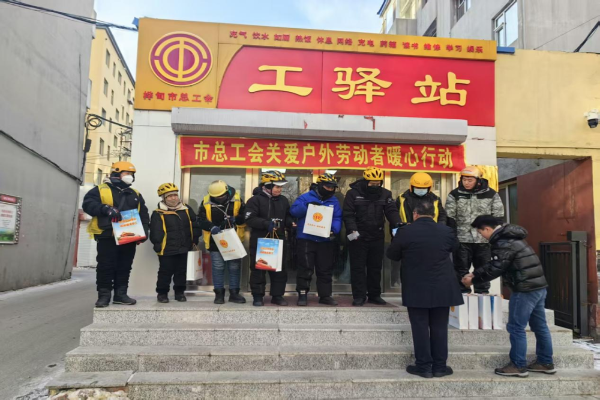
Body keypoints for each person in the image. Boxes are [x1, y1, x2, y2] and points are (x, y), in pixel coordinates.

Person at [463, 216, 554, 377]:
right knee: (540, 326)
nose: (480, 236)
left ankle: (518, 365)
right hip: (538, 286)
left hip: (524, 289)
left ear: (487, 229)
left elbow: (496, 268)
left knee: (516, 327)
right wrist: (475, 273)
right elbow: (496, 263)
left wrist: (473, 280)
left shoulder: (503, 242)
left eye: (480, 232)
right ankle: (545, 362)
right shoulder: (511, 238)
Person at [386, 201, 462, 379]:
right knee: (440, 327)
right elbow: (456, 249)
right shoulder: (446, 231)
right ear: (434, 214)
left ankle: (423, 366)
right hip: (443, 285)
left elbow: (392, 254)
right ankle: (440, 366)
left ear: (415, 214)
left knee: (419, 326)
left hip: (416, 286)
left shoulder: (405, 231)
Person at [83, 161, 150, 308]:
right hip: (107, 234)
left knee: (124, 266)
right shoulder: (100, 190)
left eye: (132, 174)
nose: (130, 176)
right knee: (105, 266)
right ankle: (104, 295)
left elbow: (143, 214)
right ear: (116, 173)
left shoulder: (135, 194)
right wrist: (105, 209)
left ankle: (121, 294)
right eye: (127, 173)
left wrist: (144, 231)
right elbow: (88, 204)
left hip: (128, 235)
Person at [343, 167, 402, 306]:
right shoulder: (353, 193)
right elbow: (348, 214)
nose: (375, 186)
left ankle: (374, 295)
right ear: (365, 181)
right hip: (358, 236)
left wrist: (398, 223)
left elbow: (391, 211)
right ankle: (359, 296)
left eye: (378, 183)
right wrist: (352, 229)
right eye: (372, 183)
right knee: (358, 268)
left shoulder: (385, 194)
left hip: (377, 236)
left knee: (375, 268)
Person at [445, 166, 504, 294]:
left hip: (484, 240)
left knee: (483, 269)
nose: (466, 183)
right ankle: (462, 295)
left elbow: (498, 217)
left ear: (478, 180)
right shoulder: (455, 194)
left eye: (470, 180)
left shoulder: (491, 194)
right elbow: (450, 218)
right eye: (464, 180)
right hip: (462, 240)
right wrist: (453, 238)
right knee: (460, 270)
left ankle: (482, 295)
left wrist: (494, 237)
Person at [290, 173, 342, 306]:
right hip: (306, 238)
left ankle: (325, 295)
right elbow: (294, 211)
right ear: (320, 185)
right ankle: (302, 294)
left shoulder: (334, 201)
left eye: (332, 188)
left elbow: (337, 217)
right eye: (327, 187)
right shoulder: (305, 197)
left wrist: (334, 229)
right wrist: (306, 206)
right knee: (305, 268)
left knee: (325, 269)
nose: (330, 190)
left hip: (325, 240)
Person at [245, 171, 292, 307]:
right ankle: (258, 296)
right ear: (268, 186)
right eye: (277, 187)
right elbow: (249, 218)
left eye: (281, 187)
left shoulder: (283, 200)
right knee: (259, 269)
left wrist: (290, 222)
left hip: (279, 239)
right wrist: (266, 223)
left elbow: (287, 215)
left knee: (279, 269)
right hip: (261, 239)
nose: (279, 189)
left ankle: (277, 296)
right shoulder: (255, 200)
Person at [197, 180, 247, 304]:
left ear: (227, 192)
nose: (219, 199)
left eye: (221, 196)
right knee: (218, 267)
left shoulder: (237, 200)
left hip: (233, 239)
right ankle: (219, 294)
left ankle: (234, 294)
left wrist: (236, 219)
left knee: (234, 267)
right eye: (216, 197)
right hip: (215, 240)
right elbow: (200, 220)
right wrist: (211, 227)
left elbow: (246, 216)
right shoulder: (206, 201)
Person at [150, 183, 200, 303]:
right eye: (169, 196)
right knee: (165, 272)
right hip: (166, 248)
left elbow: (195, 224)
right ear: (164, 198)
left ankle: (179, 292)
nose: (173, 198)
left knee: (181, 271)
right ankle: (162, 293)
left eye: (175, 195)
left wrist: (194, 239)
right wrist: (157, 244)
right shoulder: (158, 213)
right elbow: (155, 231)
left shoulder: (186, 209)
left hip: (184, 247)